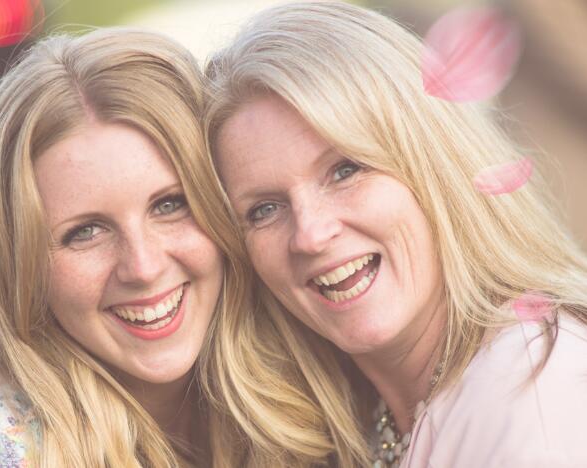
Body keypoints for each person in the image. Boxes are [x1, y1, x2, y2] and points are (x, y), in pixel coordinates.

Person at [204, 2, 587, 467]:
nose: (310, 234)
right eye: (264, 209)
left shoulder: (532, 389)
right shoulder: (377, 412)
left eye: (345, 170)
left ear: (431, 165)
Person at [0, 28, 342, 467]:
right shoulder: (6, 456)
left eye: (169, 205)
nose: (144, 266)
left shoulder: (320, 377)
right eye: (86, 232)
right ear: (16, 267)